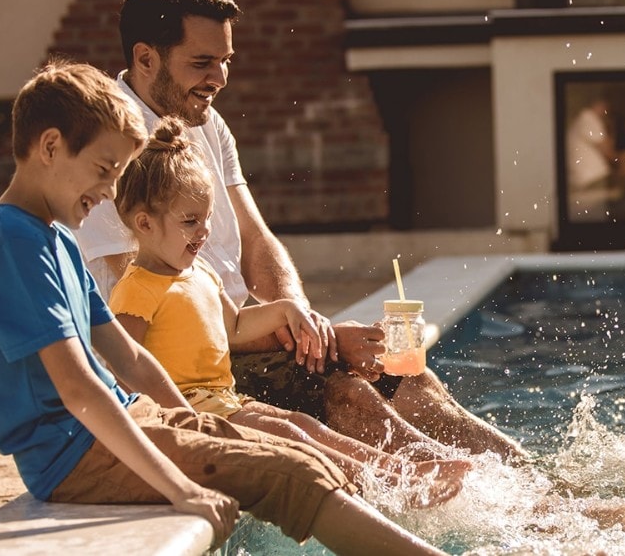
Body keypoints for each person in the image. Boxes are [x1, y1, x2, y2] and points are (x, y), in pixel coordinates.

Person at [0, 60, 445, 554]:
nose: (108, 193)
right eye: (104, 171)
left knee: (293, 448)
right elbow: (79, 388)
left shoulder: (53, 237)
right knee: (294, 473)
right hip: (76, 455)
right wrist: (182, 488)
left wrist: (194, 422)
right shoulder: (10, 246)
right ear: (51, 146)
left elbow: (129, 359)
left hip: (134, 421)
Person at [73, 0, 523, 460]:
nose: (220, 79)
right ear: (145, 58)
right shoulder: (109, 148)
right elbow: (155, 317)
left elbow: (256, 239)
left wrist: (307, 328)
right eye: (202, 63)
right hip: (199, 367)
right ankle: (475, 500)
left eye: (225, 62)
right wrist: (302, 341)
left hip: (252, 331)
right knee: (350, 394)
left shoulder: (209, 125)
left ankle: (543, 491)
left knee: (412, 378)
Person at [109, 115, 470, 506]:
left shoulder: (200, 273)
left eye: (208, 218)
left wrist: (285, 310)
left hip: (226, 401)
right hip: (195, 416)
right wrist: (166, 432)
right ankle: (387, 483)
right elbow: (125, 366)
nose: (204, 231)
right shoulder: (137, 290)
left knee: (302, 424)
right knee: (295, 438)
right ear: (144, 224)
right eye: (190, 221)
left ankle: (397, 471)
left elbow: (233, 326)